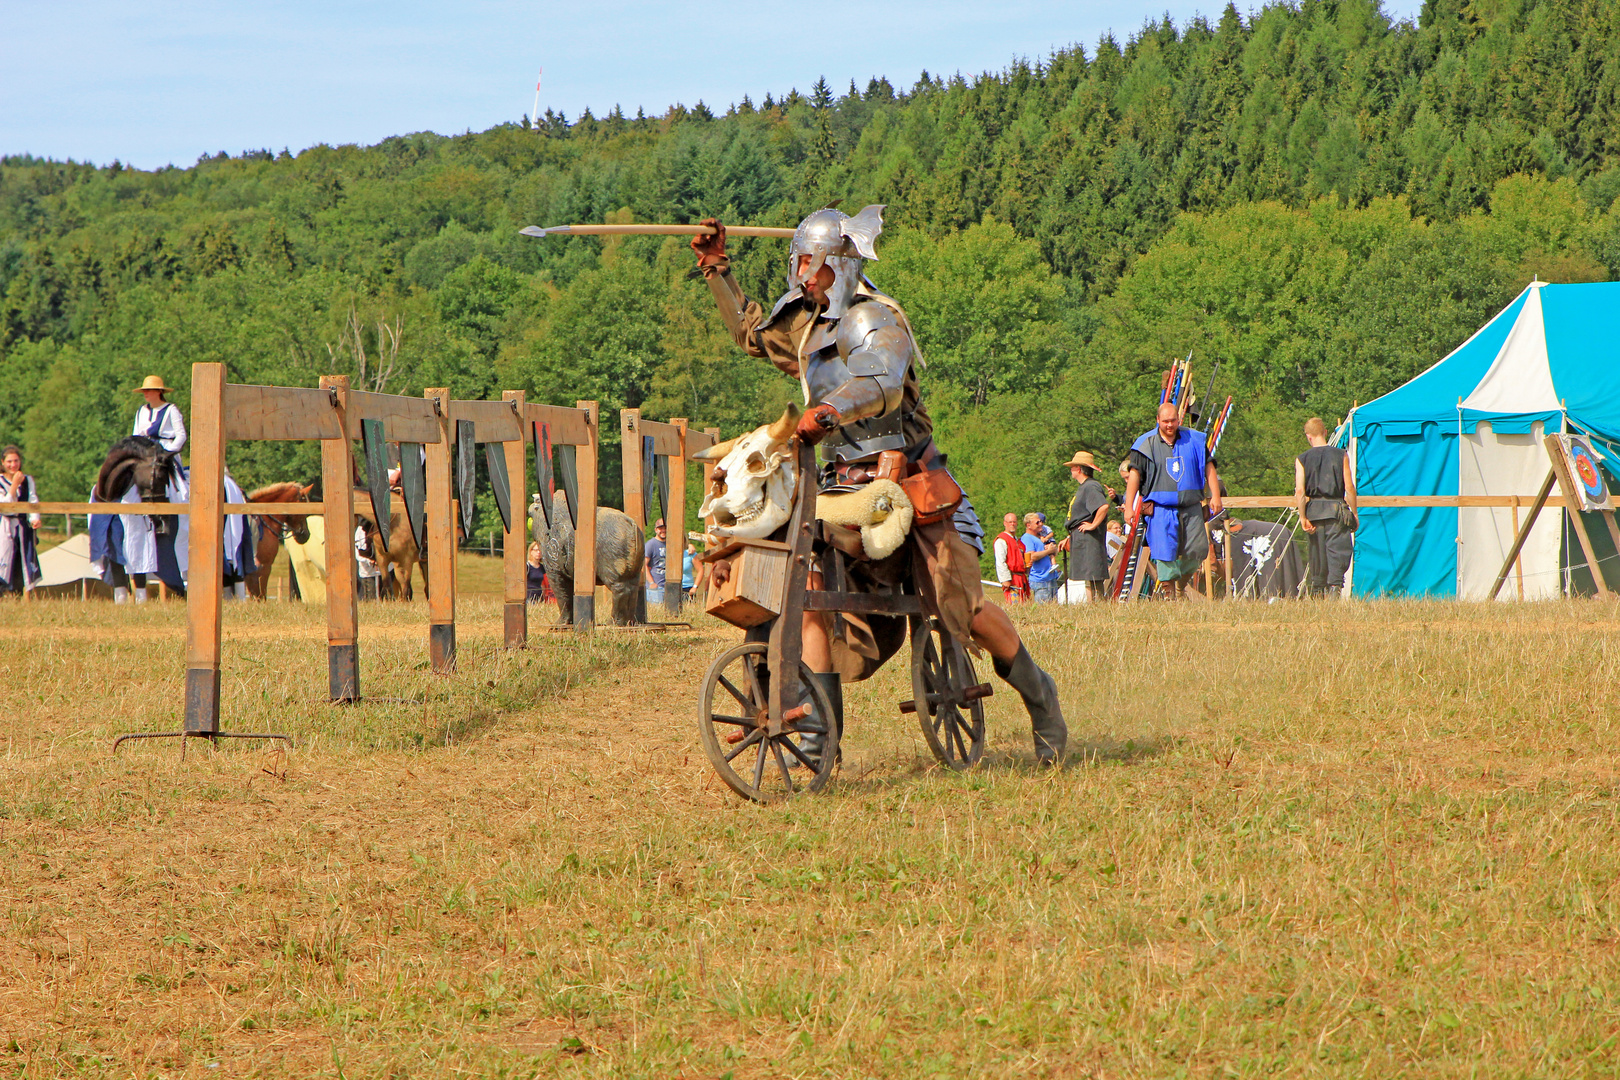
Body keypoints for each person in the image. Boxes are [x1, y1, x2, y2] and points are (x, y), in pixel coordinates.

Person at [693, 207, 1066, 765]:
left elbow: (879, 381)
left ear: (833, 264)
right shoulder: (807, 327)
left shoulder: (874, 318)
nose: (799, 275)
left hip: (911, 483)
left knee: (960, 606)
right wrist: (717, 269)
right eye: (797, 264)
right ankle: (821, 743)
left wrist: (826, 414)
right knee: (807, 591)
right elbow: (753, 334)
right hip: (838, 492)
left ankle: (1041, 696)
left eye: (807, 264)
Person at [1123, 401, 1223, 599]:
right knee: (1164, 553)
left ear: (1179, 420)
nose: (1170, 425)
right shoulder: (1145, 444)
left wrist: (1216, 495)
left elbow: (1209, 468)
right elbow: (1134, 475)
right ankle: (1170, 596)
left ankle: (1180, 587)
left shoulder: (1194, 440)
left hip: (1191, 506)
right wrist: (1129, 506)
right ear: (1158, 420)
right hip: (1161, 508)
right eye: (1166, 421)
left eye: (1173, 421)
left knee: (1197, 551)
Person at [121, 375, 189, 601]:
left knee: (180, 487)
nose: (146, 395)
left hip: (166, 455)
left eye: (149, 391)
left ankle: (175, 510)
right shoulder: (141, 411)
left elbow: (181, 436)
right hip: (145, 454)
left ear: (159, 392)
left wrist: (167, 451)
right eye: (144, 392)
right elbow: (135, 435)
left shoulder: (171, 410)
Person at [1295, 416, 1356, 597]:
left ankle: (1317, 591)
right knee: (1338, 550)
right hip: (1336, 510)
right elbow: (1349, 488)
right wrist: (1354, 513)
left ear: (1308, 436)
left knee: (1317, 553)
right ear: (1325, 433)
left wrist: (1302, 516)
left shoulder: (1302, 459)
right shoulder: (1340, 455)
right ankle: (1335, 590)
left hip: (1313, 511)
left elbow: (1300, 491)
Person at [1060, 451, 1111, 601]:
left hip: (1090, 537)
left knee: (1094, 574)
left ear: (1079, 469)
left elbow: (1103, 507)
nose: (1070, 470)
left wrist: (1093, 525)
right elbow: (1079, 515)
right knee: (1089, 576)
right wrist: (1069, 536)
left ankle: (1098, 605)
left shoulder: (1091, 486)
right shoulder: (1084, 487)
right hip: (1081, 536)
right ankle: (1092, 605)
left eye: (1072, 467)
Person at [0, 446, 42, 596]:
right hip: (4, 525)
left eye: (16, 461)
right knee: (4, 558)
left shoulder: (28, 480)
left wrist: (34, 518)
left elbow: (32, 499)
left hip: (22, 525)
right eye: (9, 461)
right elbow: (5, 506)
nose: (13, 465)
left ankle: (20, 593)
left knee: (23, 559)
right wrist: (14, 485)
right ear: (3, 462)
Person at [1022, 513, 1061, 602]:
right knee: (1045, 610)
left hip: (1050, 578)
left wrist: (1052, 549)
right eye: (1037, 522)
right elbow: (1032, 556)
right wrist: (1048, 551)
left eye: (1041, 521)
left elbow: (1051, 553)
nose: (1041, 524)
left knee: (1054, 609)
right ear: (1029, 525)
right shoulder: (1027, 538)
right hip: (1040, 581)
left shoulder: (1040, 537)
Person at [992, 512, 1030, 602]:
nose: (1012, 524)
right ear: (1005, 523)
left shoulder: (1019, 542)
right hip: (1012, 579)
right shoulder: (1001, 540)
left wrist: (1027, 565)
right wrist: (1005, 579)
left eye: (1014, 522)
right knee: (1014, 606)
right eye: (1010, 522)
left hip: (1022, 579)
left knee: (1025, 607)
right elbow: (1000, 561)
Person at [643, 518, 667, 610]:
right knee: (658, 612)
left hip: (668, 586)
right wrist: (652, 583)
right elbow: (644, 565)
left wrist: (690, 546)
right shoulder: (651, 544)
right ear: (656, 530)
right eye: (660, 528)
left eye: (665, 528)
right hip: (656, 587)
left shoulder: (670, 543)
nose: (663, 530)